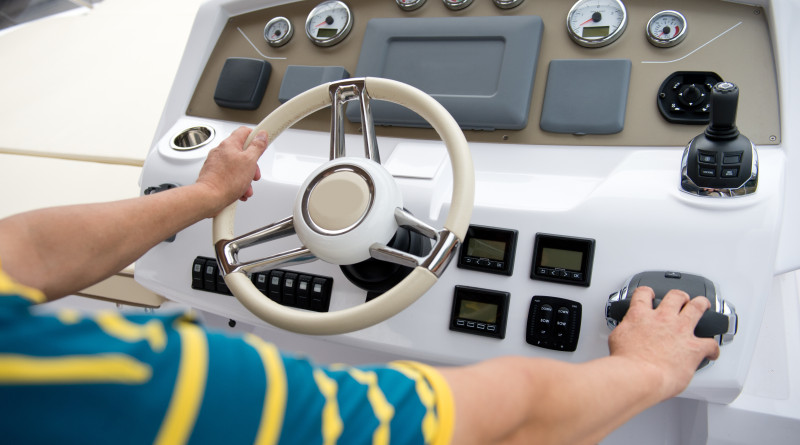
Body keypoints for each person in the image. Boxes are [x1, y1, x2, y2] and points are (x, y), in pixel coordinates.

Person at [0, 127, 719, 444]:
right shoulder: (146, 386)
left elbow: (24, 247)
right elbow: (511, 424)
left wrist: (205, 195)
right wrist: (647, 368)